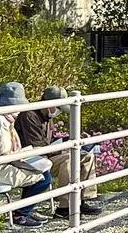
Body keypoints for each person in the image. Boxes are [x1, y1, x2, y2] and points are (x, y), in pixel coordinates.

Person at [0, 81, 52, 227]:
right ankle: (21, 213)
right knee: (43, 178)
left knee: (39, 172)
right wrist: (26, 158)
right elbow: (5, 154)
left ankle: (23, 210)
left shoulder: (0, 117)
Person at [20, 84, 102, 217]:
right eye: (58, 108)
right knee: (69, 160)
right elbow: (36, 146)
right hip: (33, 159)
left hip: (46, 155)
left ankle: (81, 200)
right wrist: (63, 147)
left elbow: (48, 142)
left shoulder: (47, 116)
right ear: (48, 104)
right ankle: (65, 206)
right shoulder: (29, 116)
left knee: (88, 156)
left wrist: (70, 140)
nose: (58, 112)